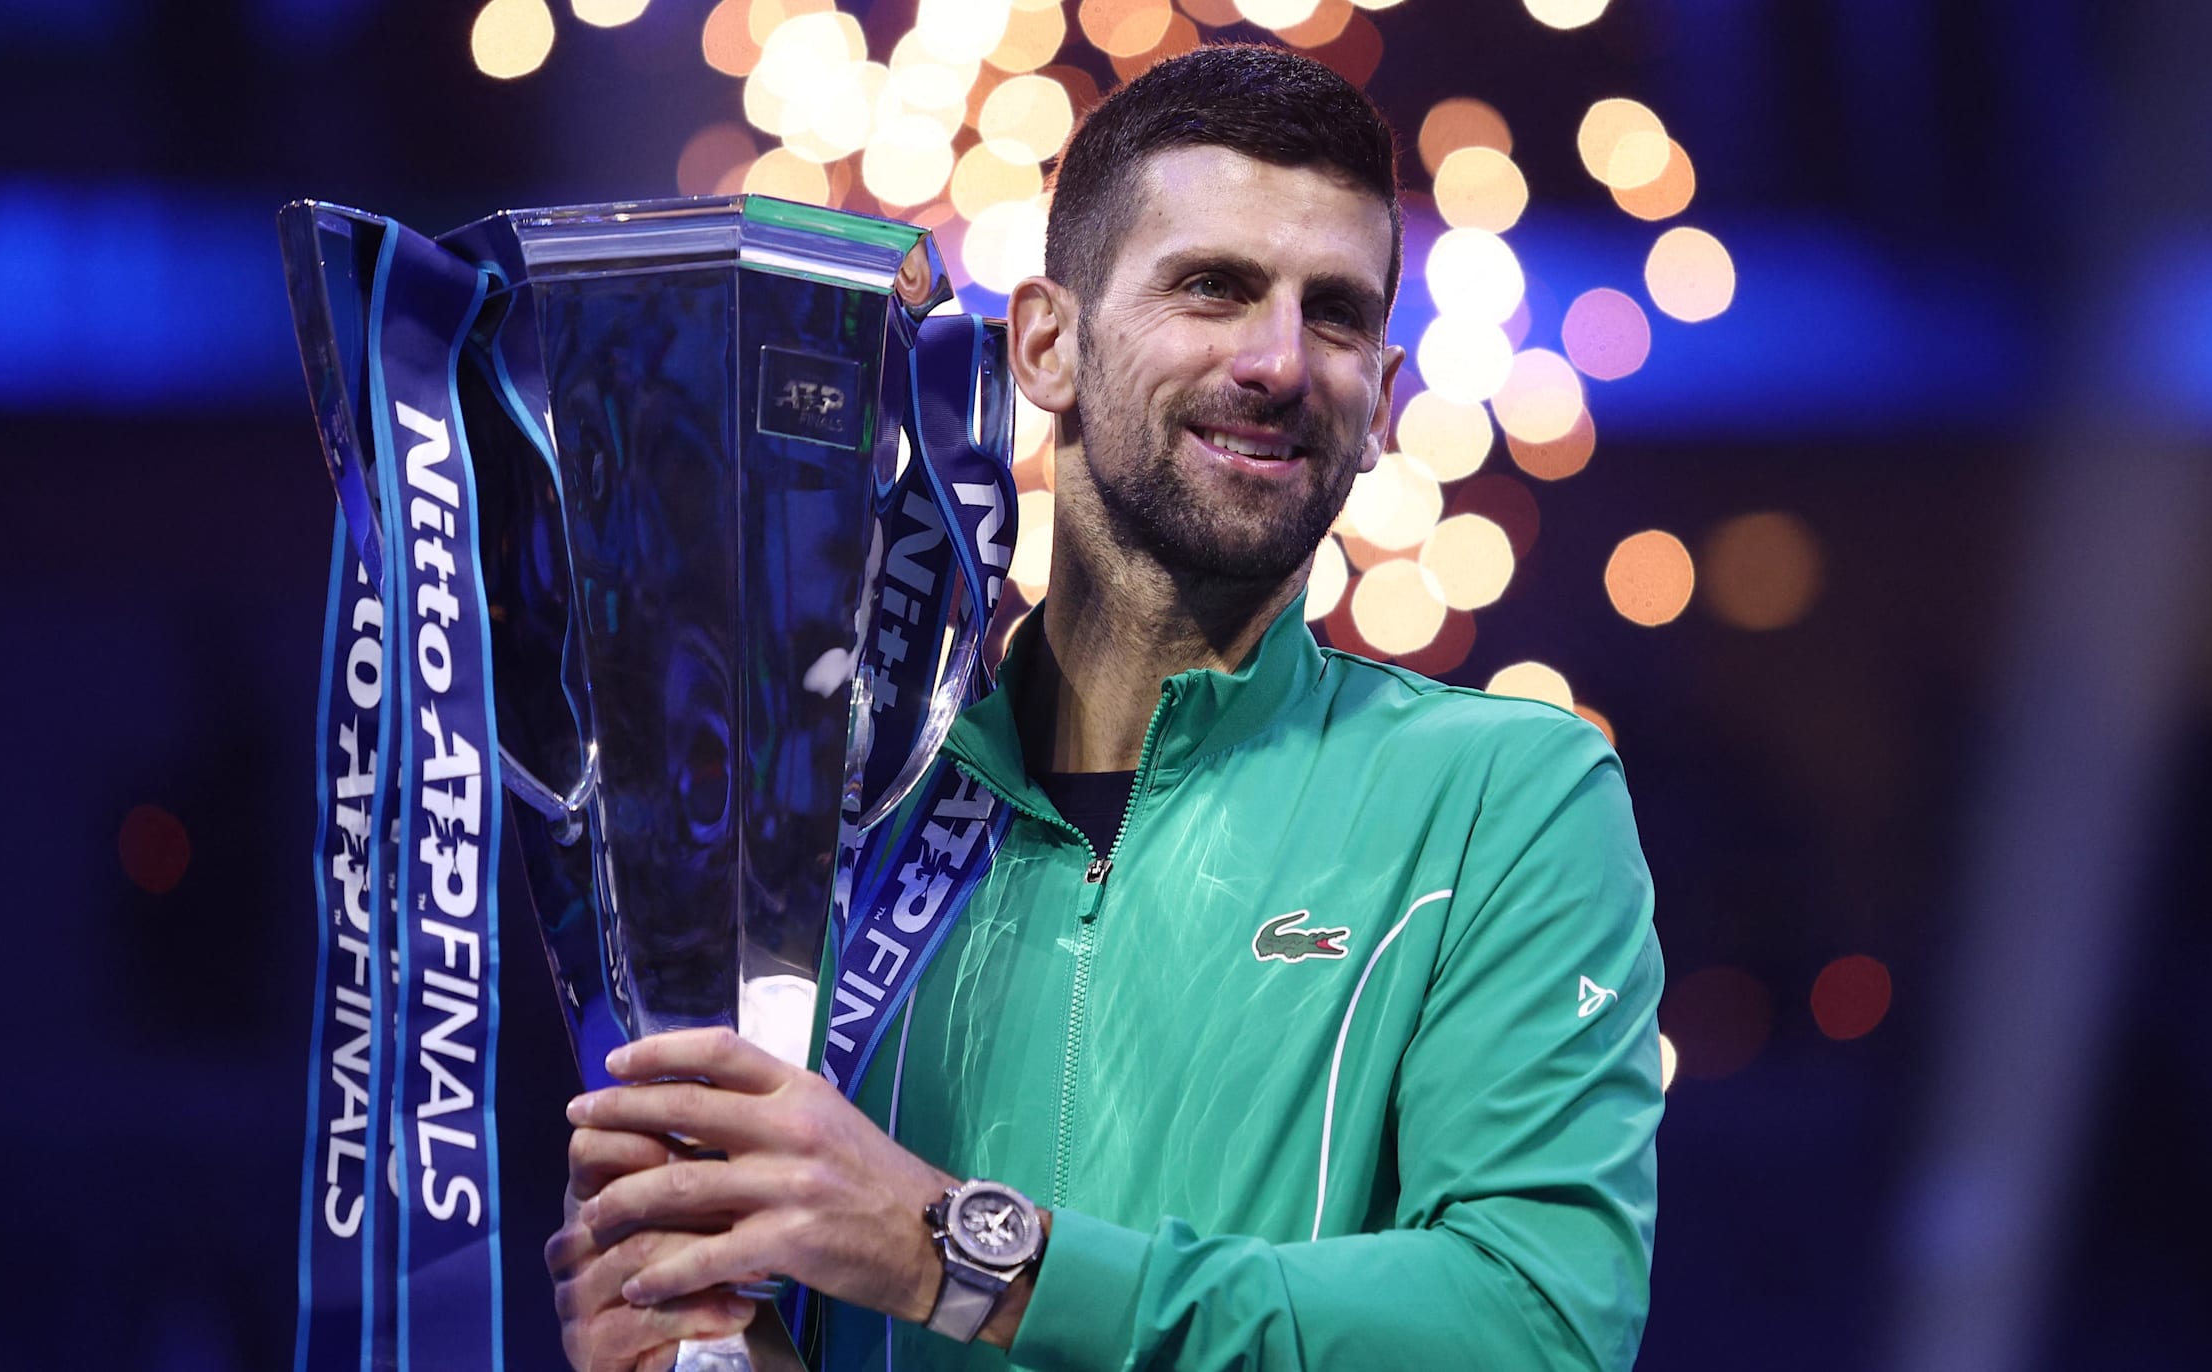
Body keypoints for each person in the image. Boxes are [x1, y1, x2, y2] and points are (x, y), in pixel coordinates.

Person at [547, 43, 1664, 1372]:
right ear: (1046, 343)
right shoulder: (821, 817)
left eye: (1337, 314)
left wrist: (951, 1253)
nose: (1276, 360)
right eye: (1212, 288)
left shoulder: (1502, 798)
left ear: (1381, 405)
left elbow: (1534, 1327)